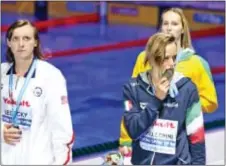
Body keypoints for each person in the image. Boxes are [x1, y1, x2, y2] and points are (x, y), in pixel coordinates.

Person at [119, 8, 218, 159]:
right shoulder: (144, 58)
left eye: (174, 23)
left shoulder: (197, 63)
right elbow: (134, 103)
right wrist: (125, 141)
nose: (169, 27)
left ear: (183, 29)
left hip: (177, 141)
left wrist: (179, 105)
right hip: (147, 138)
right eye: (165, 23)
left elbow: (211, 102)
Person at [122, 32, 206, 165]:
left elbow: (197, 138)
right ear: (151, 59)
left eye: (174, 58)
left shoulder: (187, 89)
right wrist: (156, 100)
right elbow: (133, 130)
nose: (171, 64)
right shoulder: (132, 88)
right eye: (165, 58)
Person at [1, 20, 74, 165]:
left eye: (26, 38)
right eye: (15, 38)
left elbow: (62, 131)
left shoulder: (51, 76)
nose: (21, 44)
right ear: (8, 42)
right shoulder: (2, 72)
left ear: (35, 42)